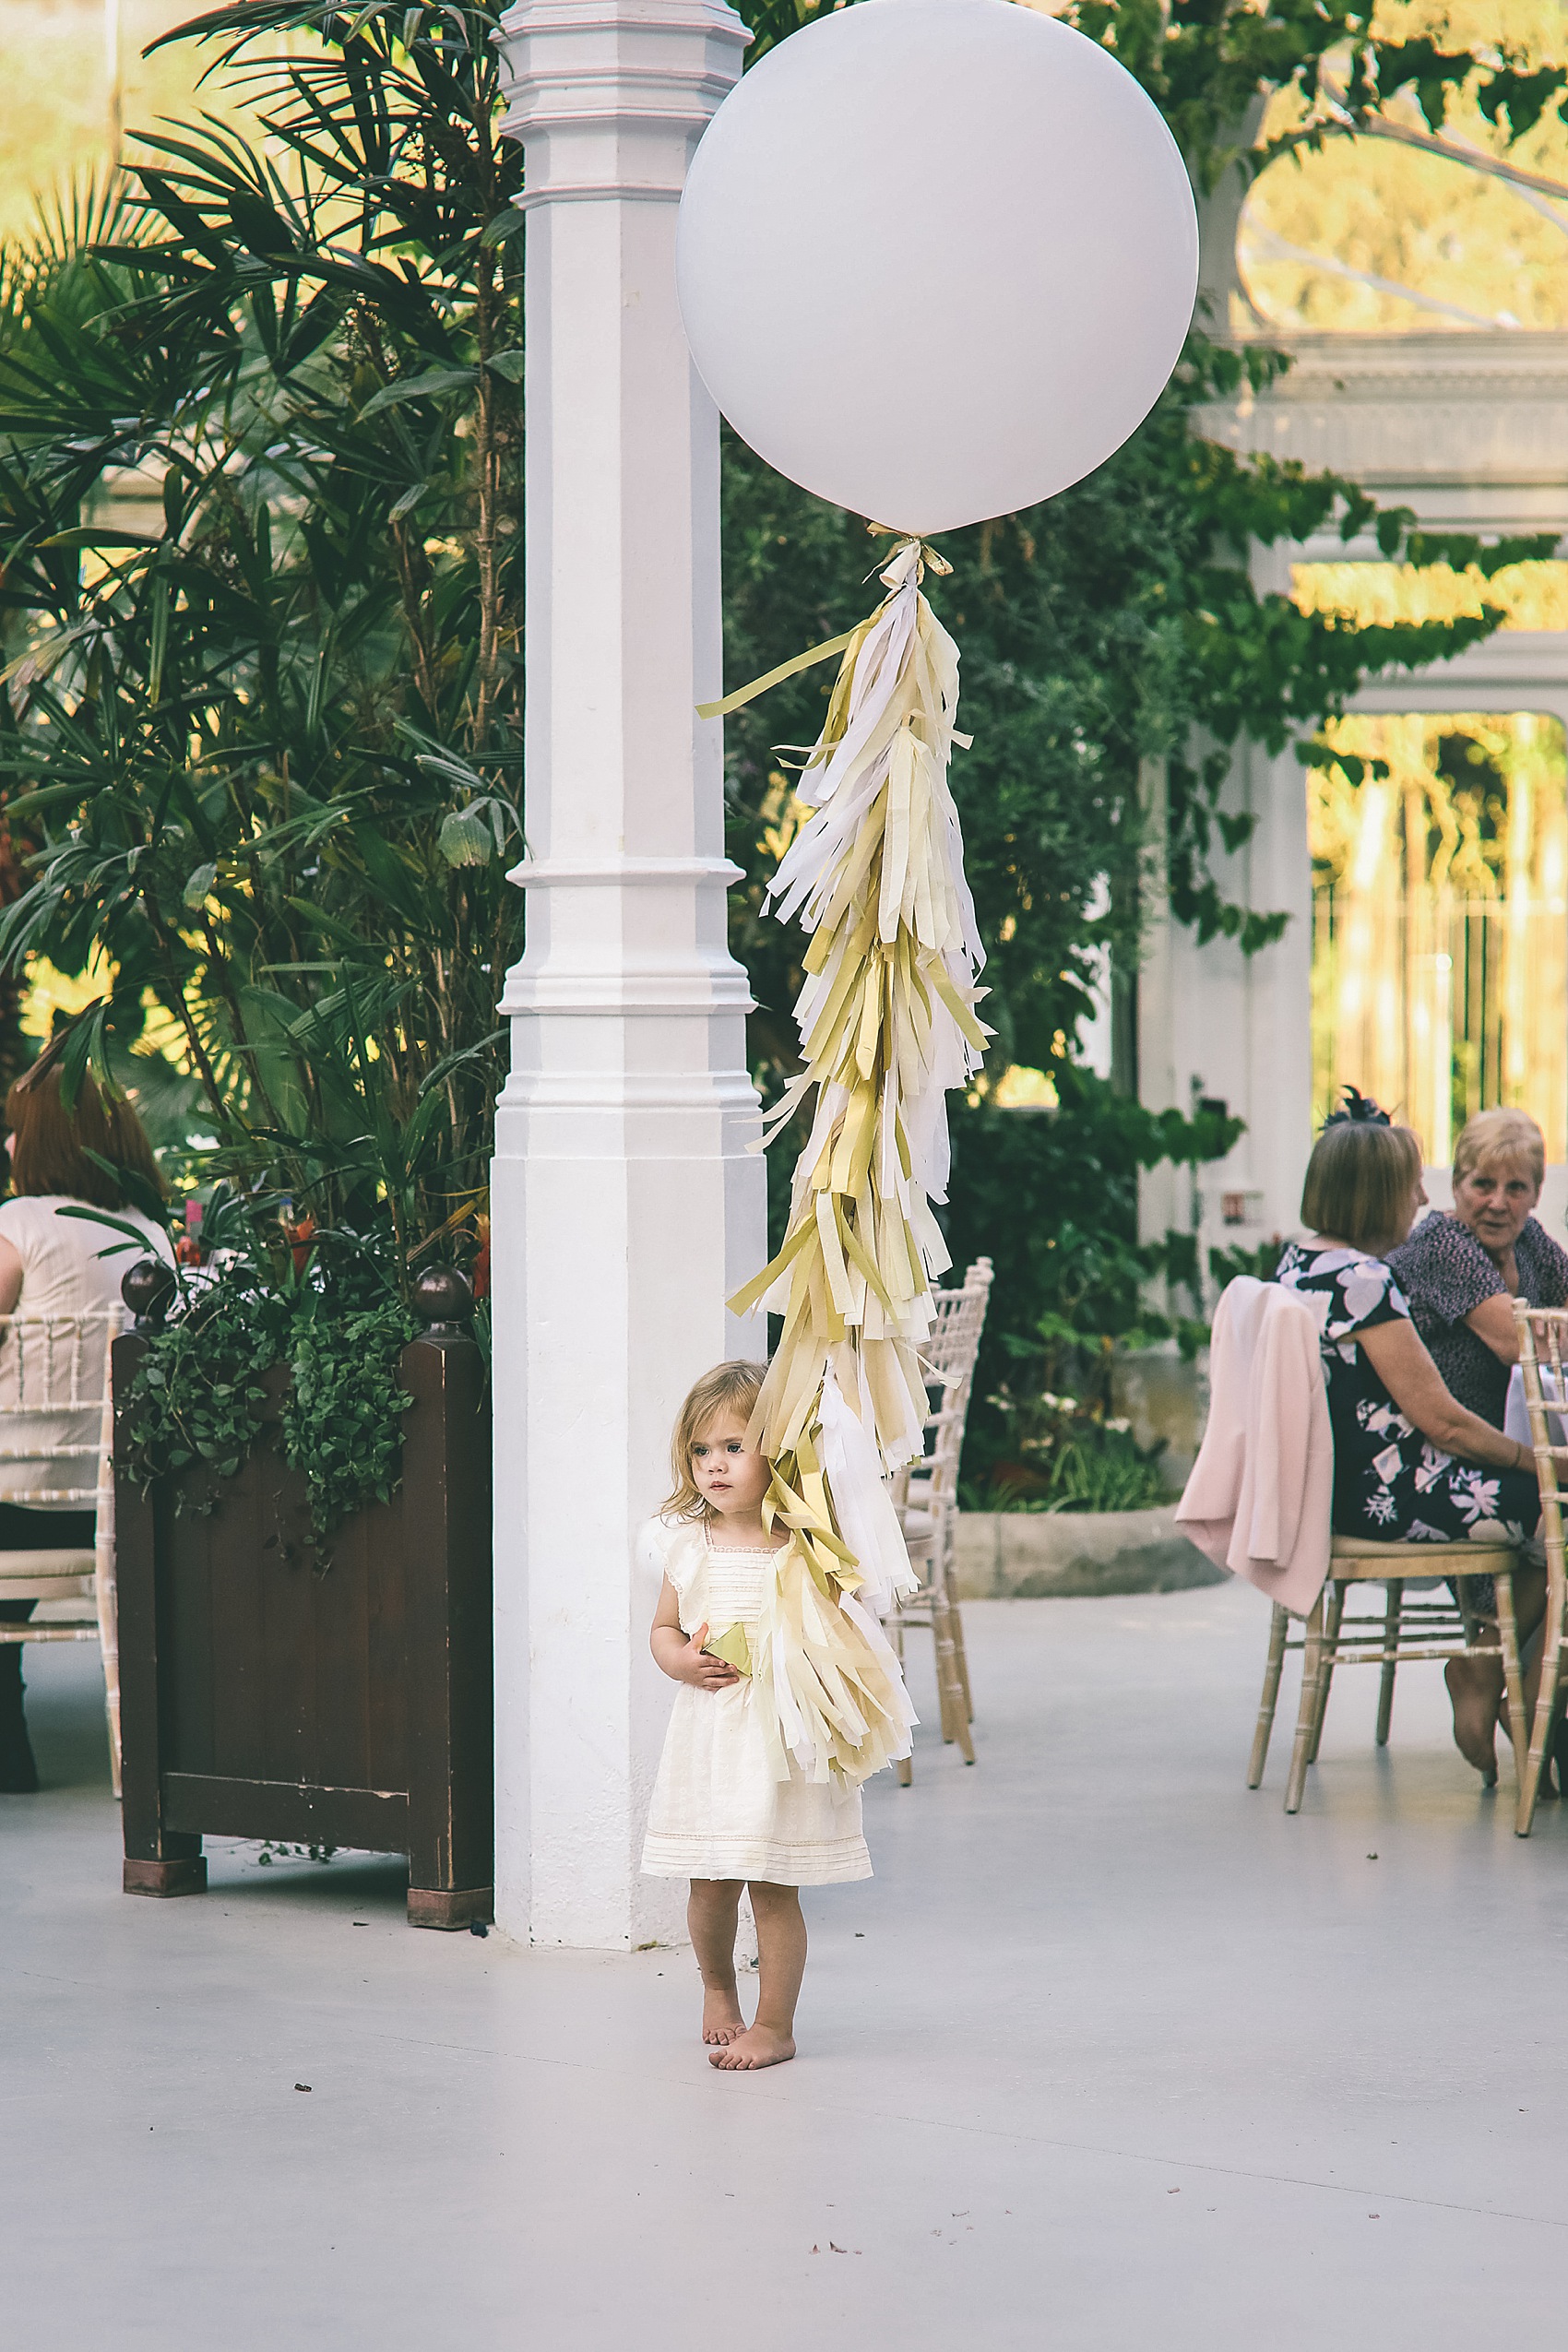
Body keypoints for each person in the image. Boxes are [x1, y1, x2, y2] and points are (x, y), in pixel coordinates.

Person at [1276, 1090, 1545, 1782]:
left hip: (1338, 1489)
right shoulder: (1364, 1283)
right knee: (1556, 1507)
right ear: (1376, 1197)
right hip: (1391, 1497)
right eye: (1409, 1187)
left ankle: (1509, 1679)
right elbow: (1444, 1422)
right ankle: (1500, 1678)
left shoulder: (1298, 1266)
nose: (1420, 1203)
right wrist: (1535, 1462)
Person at [639, 1360, 874, 2073]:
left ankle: (776, 2025)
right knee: (709, 1886)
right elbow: (663, 1631)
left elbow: (841, 1632)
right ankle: (718, 1989)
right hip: (712, 1736)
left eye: (735, 1448)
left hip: (780, 1739)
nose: (715, 1465)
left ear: (779, 1452)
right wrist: (678, 1661)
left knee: (775, 1886)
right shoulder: (687, 1544)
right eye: (701, 1451)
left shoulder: (802, 1545)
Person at [0, 1058, 172, 1793]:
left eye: (16, 1128)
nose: (8, 1143)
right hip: (107, 1508)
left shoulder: (21, 1224)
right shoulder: (151, 1237)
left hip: (15, 1505)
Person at [1388, 1108, 1568, 1430]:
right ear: (1457, 1184)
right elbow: (1522, 1346)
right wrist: (1548, 1331)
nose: (1498, 1203)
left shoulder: (1528, 1236)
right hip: (1445, 1456)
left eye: (1516, 1188)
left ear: (1536, 1193)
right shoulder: (1441, 1244)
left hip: (1514, 1446)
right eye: (1483, 1184)